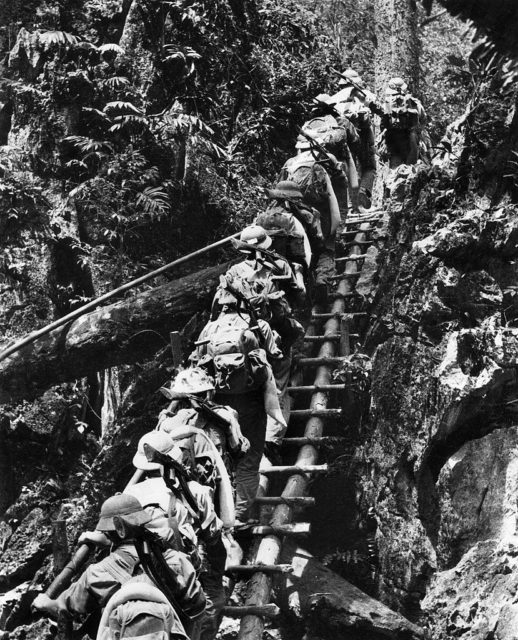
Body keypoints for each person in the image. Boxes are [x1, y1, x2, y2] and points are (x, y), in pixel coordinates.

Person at [32, 493, 205, 636]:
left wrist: (45, 602)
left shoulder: (97, 573)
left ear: (110, 532)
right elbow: (198, 606)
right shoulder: (177, 559)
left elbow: (64, 608)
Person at [190, 290, 286, 525]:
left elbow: (196, 361)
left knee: (221, 458)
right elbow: (275, 354)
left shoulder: (210, 329)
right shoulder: (257, 324)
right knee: (250, 459)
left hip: (219, 404)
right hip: (252, 402)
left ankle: (221, 517)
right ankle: (241, 516)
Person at [129, 431, 227, 640]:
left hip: (137, 568)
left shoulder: (132, 495)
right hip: (179, 570)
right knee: (210, 602)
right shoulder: (194, 491)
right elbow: (212, 535)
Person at [279, 137, 341, 304]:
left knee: (302, 246)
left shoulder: (289, 163)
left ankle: (305, 286)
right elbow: (333, 194)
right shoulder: (322, 162)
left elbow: (278, 188)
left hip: (293, 210)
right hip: (319, 213)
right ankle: (322, 279)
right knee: (325, 248)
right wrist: (336, 224)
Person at [328, 69, 378, 208]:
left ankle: (350, 204)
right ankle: (362, 193)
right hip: (361, 137)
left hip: (339, 138)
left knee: (348, 170)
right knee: (370, 167)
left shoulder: (333, 98)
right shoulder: (363, 95)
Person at [380, 77, 427, 168]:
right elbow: (423, 119)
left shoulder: (387, 104)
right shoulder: (415, 103)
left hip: (393, 140)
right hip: (411, 139)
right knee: (412, 167)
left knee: (395, 168)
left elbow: (382, 124)